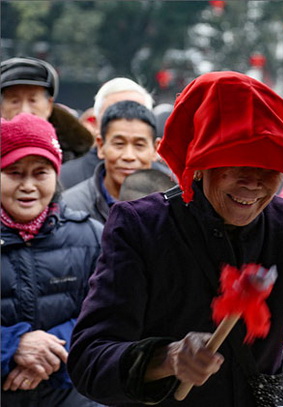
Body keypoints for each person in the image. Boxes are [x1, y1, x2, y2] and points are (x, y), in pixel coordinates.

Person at [67, 71, 283, 406]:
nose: (254, 183)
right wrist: (167, 358)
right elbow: (89, 361)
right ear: (201, 160)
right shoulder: (142, 226)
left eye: (269, 167)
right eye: (238, 163)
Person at [1, 113, 103, 406]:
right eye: (15, 173)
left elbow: (110, 313)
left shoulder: (90, 236)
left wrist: (49, 353)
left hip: (71, 390)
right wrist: (12, 346)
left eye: (40, 172)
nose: (29, 186)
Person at [62, 100, 159, 224]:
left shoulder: (172, 206)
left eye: (139, 145)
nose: (128, 156)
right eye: (119, 144)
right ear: (101, 146)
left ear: (156, 149)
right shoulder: (70, 206)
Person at [59, 77, 155, 189]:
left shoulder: (168, 183)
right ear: (94, 123)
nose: (125, 121)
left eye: (137, 112)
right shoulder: (65, 179)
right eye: (114, 114)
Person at [0, 56, 93, 162]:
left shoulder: (81, 156)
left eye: (33, 100)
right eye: (14, 101)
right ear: (1, 108)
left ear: (49, 105)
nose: (24, 111)